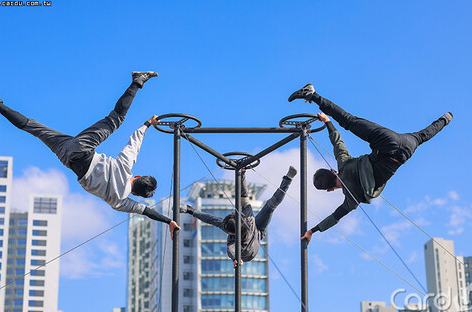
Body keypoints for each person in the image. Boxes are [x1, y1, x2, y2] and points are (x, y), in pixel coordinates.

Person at [0, 71, 180, 238]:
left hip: (83, 149)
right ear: (136, 194)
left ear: (137, 176)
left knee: (116, 119)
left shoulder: (124, 167)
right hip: (67, 158)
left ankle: (137, 80)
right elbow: (146, 211)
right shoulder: (121, 202)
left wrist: (147, 124)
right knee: (33, 128)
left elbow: (134, 143)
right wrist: (168, 221)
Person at [288, 83, 452, 244]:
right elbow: (337, 141)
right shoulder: (343, 164)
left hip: (407, 149)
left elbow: (334, 218)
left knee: (423, 136)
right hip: (386, 140)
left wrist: (312, 231)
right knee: (348, 120)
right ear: (333, 171)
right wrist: (327, 122)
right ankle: (312, 95)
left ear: (330, 190)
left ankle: (445, 119)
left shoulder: (352, 200)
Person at [180, 166, 297, 267]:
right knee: (256, 204)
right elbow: (213, 222)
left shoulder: (248, 218)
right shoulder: (232, 236)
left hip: (256, 231)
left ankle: (287, 179)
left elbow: (243, 196)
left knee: (271, 204)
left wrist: (242, 174)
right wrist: (236, 259)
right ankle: (285, 180)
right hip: (249, 250)